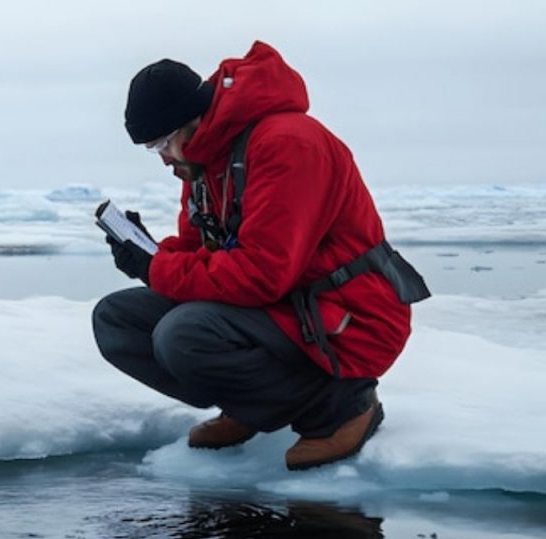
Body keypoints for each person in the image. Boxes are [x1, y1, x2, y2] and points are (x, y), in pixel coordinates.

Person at [92, 41, 429, 470]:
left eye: (162, 143)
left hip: (350, 319)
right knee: (116, 320)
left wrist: (159, 268)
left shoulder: (287, 144)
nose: (162, 159)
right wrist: (147, 254)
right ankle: (249, 404)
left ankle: (343, 406)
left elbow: (261, 274)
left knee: (182, 334)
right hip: (286, 310)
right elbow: (202, 250)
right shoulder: (203, 162)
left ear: (192, 121)